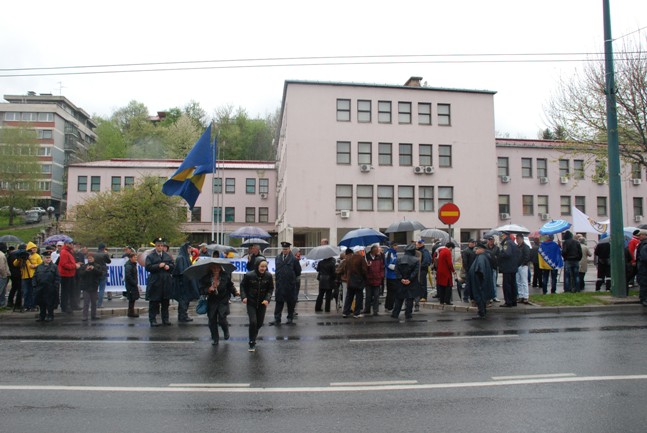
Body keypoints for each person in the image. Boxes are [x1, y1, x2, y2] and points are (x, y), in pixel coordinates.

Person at [199, 262, 238, 346]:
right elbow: (201, 290)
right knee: (212, 320)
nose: (216, 270)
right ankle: (215, 338)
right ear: (210, 269)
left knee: (222, 318)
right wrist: (208, 289)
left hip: (223, 300)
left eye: (218, 268)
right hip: (212, 301)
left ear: (220, 268)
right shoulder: (205, 278)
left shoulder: (225, 276)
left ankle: (225, 330)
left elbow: (230, 286)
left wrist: (235, 292)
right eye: (214, 268)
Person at [240, 259, 274, 352]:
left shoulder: (268, 276)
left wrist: (267, 299)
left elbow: (270, 289)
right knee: (253, 322)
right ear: (257, 266)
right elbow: (242, 286)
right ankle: (251, 342)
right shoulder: (249, 275)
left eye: (265, 267)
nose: (263, 268)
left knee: (259, 323)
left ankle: (253, 335)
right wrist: (244, 297)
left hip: (262, 303)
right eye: (261, 266)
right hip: (251, 302)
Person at [145, 237, 175, 327]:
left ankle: (165, 319)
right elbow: (148, 267)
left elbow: (173, 265)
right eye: (158, 245)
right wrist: (158, 265)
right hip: (155, 282)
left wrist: (169, 267)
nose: (160, 247)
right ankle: (153, 319)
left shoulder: (167, 256)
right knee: (154, 302)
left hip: (165, 282)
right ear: (155, 246)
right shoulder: (150, 256)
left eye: (161, 245)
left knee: (165, 302)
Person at [270, 242, 301, 325]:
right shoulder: (278, 258)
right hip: (280, 284)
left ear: (289, 249)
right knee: (279, 302)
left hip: (290, 284)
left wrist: (291, 278)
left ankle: (290, 318)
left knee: (290, 302)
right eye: (283, 249)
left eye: (286, 249)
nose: (284, 250)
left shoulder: (293, 259)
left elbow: (298, 271)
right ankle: (277, 319)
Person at [392, 243, 420, 320]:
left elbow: (396, 271)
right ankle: (408, 314)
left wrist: (401, 279)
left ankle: (395, 313)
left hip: (401, 282)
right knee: (410, 298)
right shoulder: (416, 260)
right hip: (411, 282)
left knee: (399, 298)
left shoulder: (399, 259)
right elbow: (415, 272)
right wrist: (409, 279)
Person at [173, 242, 200, 322]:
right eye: (188, 248)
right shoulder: (181, 258)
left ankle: (184, 314)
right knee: (183, 300)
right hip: (182, 283)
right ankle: (182, 315)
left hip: (187, 282)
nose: (190, 250)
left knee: (186, 299)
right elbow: (181, 270)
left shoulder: (187, 257)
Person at [467, 241, 494, 319]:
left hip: (479, 282)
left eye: (477, 249)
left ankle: (481, 313)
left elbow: (480, 270)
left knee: (480, 297)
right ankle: (482, 311)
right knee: (481, 297)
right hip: (480, 282)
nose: (475, 250)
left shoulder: (481, 257)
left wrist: (479, 280)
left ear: (481, 249)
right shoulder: (483, 257)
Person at [13, 241, 42, 312]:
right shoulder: (24, 256)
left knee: (33, 292)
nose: (34, 249)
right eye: (32, 248)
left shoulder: (37, 256)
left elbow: (41, 265)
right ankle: (26, 305)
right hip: (25, 276)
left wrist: (34, 265)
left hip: (33, 276)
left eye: (35, 248)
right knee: (26, 292)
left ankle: (33, 305)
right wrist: (19, 259)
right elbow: (15, 264)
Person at [33, 251, 60, 322]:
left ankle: (50, 315)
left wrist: (55, 285)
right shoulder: (39, 267)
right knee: (41, 303)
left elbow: (57, 277)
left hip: (50, 288)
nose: (48, 259)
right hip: (40, 288)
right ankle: (42, 316)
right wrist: (34, 285)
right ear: (43, 258)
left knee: (50, 303)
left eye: (49, 257)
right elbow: (35, 276)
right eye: (46, 258)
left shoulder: (54, 267)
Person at [342, 246, 368, 319]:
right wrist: (365, 277)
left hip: (350, 280)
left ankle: (345, 312)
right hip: (359, 280)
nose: (362, 252)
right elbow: (364, 270)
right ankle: (356, 313)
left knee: (349, 297)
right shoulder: (361, 258)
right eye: (361, 251)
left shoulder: (348, 259)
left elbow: (346, 269)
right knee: (359, 297)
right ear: (359, 251)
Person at [78, 253, 104, 321]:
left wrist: (93, 269)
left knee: (94, 302)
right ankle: (85, 316)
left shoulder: (97, 266)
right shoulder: (84, 266)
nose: (89, 259)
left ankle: (93, 315)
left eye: (91, 258)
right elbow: (80, 274)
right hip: (86, 286)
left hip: (94, 286)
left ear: (93, 258)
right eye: (88, 258)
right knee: (86, 302)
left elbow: (100, 273)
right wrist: (86, 270)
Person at [498, 231, 520, 307]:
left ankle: (508, 301)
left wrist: (500, 253)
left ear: (505, 235)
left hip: (507, 267)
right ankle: (514, 300)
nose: (501, 237)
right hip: (513, 267)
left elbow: (507, 253)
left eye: (502, 235)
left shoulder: (507, 243)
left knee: (507, 285)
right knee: (513, 284)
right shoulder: (513, 243)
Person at [57, 238, 78, 314]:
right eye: (71, 243)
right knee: (65, 291)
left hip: (70, 274)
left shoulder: (69, 251)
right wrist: (74, 266)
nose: (72, 245)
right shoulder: (64, 252)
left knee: (71, 291)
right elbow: (64, 264)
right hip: (65, 274)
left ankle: (72, 305)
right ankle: (65, 306)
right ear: (67, 244)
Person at [364, 244, 384, 315]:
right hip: (369, 279)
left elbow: (382, 267)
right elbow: (363, 269)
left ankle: (375, 310)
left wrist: (381, 276)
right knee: (368, 296)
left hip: (377, 279)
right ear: (374, 251)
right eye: (377, 250)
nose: (378, 252)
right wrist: (367, 266)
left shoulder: (379, 257)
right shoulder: (366, 257)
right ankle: (367, 309)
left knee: (376, 296)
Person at [123, 252, 140, 317]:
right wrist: (134, 283)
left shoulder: (132, 264)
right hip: (130, 284)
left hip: (132, 284)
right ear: (130, 258)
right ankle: (130, 312)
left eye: (136, 257)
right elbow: (128, 275)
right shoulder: (129, 265)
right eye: (134, 257)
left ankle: (131, 311)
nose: (136, 258)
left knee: (133, 298)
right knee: (131, 298)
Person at [383, 242, 399, 312]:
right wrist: (397, 268)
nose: (397, 247)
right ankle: (390, 307)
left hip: (394, 275)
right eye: (396, 245)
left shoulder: (394, 253)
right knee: (392, 292)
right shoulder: (389, 253)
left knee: (391, 292)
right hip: (391, 276)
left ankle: (388, 306)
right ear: (392, 246)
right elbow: (388, 264)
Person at [515, 234, 531, 304]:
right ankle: (521, 295)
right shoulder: (517, 247)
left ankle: (526, 296)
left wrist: (523, 263)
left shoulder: (526, 247)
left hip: (523, 266)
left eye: (518, 239)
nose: (517, 240)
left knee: (524, 281)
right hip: (518, 265)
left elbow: (527, 257)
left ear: (522, 239)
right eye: (516, 239)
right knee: (518, 281)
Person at [416, 240, 432, 304]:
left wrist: (420, 266)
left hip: (422, 269)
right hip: (420, 269)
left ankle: (423, 297)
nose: (418, 244)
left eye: (420, 243)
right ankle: (421, 296)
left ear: (422, 244)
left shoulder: (424, 251)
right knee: (420, 283)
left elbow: (427, 261)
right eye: (418, 243)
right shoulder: (420, 250)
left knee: (422, 283)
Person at [484, 236, 500, 302]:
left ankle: (494, 296)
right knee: (487, 282)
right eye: (489, 240)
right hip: (487, 267)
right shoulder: (485, 247)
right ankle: (488, 296)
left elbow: (499, 257)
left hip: (494, 267)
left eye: (492, 240)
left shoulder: (497, 248)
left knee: (494, 282)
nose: (490, 241)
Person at [7, 245, 22, 310]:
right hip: (18, 274)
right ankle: (17, 304)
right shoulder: (17, 255)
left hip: (12, 273)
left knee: (13, 288)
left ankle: (10, 302)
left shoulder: (10, 255)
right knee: (19, 289)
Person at [634, 229, 647, 307]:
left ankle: (643, 299)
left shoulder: (642, 244)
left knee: (643, 284)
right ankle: (643, 299)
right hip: (643, 267)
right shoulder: (643, 244)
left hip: (642, 267)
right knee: (644, 284)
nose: (638, 237)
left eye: (640, 235)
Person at [0, 243, 9, 307]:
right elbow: (2, 267)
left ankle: (2, 303)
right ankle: (2, 304)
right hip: (1, 275)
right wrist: (4, 275)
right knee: (1, 290)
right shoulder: (2, 255)